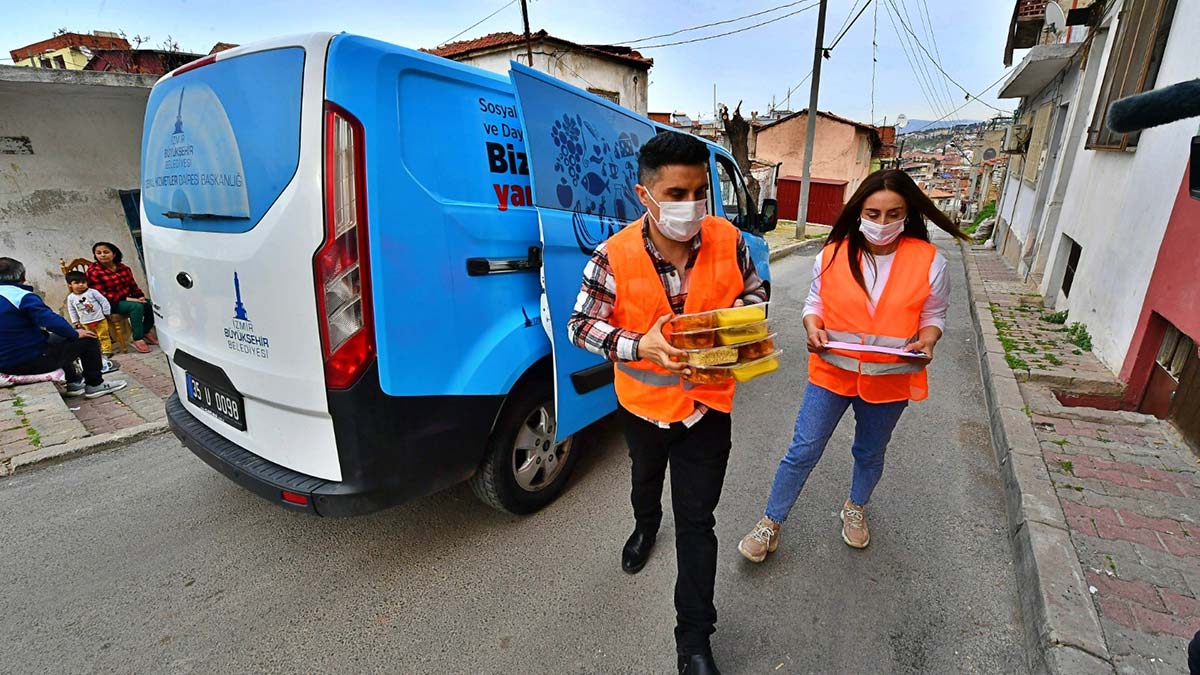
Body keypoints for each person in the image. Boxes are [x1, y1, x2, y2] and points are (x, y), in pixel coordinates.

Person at [567, 131, 766, 675]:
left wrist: (732, 324)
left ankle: (694, 641)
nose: (691, 205)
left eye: (699, 191)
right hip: (644, 408)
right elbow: (580, 326)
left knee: (698, 523)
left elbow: (755, 292)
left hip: (707, 408)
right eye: (676, 194)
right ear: (645, 195)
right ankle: (644, 523)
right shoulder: (613, 255)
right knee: (644, 478)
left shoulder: (728, 238)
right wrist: (640, 345)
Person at [738, 169, 967, 562]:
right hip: (832, 371)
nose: (882, 224)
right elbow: (815, 304)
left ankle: (855, 507)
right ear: (859, 211)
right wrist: (812, 326)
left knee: (869, 452)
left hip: (889, 379)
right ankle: (771, 522)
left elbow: (934, 313)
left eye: (893, 214)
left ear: (908, 214)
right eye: (873, 213)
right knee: (802, 449)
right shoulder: (832, 253)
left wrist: (929, 338)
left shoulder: (931, 262)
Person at [0, 257, 126, 399]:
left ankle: (74, 382)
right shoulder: (21, 296)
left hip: (4, 364)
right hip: (28, 362)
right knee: (87, 338)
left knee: (55, 339)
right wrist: (74, 333)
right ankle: (95, 384)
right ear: (23, 276)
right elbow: (51, 321)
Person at [86, 241, 156, 353]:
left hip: (125, 299)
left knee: (150, 305)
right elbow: (100, 294)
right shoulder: (93, 271)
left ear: (114, 254)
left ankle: (145, 330)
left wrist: (140, 296)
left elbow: (132, 285)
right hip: (107, 303)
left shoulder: (123, 268)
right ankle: (137, 339)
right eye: (98, 253)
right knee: (136, 307)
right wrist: (129, 299)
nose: (102, 255)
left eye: (106, 252)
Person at [65, 271, 113, 356]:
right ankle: (95, 351)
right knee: (90, 337)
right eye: (77, 283)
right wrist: (75, 321)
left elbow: (103, 301)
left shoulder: (92, 292)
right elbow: (71, 310)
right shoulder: (71, 298)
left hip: (99, 319)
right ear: (69, 285)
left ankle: (107, 351)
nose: (81, 285)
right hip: (85, 322)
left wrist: (106, 312)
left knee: (103, 336)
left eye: (83, 282)